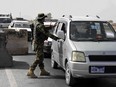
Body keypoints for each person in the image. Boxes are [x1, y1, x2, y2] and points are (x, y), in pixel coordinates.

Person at [27, 13, 60, 78]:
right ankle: (31, 70)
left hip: (39, 43)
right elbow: (47, 33)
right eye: (44, 18)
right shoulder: (39, 25)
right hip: (38, 44)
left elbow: (44, 28)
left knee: (41, 57)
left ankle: (42, 70)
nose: (44, 19)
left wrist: (51, 27)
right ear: (41, 19)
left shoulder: (38, 23)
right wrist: (57, 38)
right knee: (38, 58)